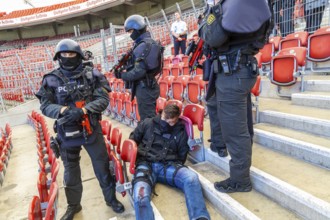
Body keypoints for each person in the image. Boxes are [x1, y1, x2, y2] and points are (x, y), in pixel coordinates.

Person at [35, 39, 125, 220]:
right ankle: (73, 206)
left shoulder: (92, 74)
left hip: (91, 130)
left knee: (102, 168)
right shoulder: (51, 79)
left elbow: (103, 100)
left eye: (72, 54)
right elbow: (45, 106)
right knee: (71, 173)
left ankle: (110, 200)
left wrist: (83, 110)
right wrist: (63, 111)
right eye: (64, 55)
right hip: (66, 134)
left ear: (79, 55)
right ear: (58, 57)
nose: (68, 57)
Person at [199, 0, 273, 193]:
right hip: (240, 69)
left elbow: (212, 36)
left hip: (233, 72)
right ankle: (241, 173)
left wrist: (212, 10)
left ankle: (240, 180)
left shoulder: (236, 3)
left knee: (235, 130)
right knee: (242, 127)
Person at [129, 104, 210, 220]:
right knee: (140, 195)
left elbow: (182, 154)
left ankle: (199, 216)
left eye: (171, 122)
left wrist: (175, 164)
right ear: (162, 114)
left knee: (191, 178)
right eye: (165, 120)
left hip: (168, 166)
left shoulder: (180, 131)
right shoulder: (147, 123)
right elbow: (132, 140)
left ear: (177, 118)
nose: (167, 123)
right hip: (145, 164)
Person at [115, 14, 161, 121]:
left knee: (148, 120)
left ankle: (150, 137)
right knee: (146, 118)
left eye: (131, 32)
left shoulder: (144, 45)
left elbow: (139, 71)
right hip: (146, 86)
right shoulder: (144, 44)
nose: (131, 35)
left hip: (146, 87)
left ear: (137, 29)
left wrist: (122, 75)